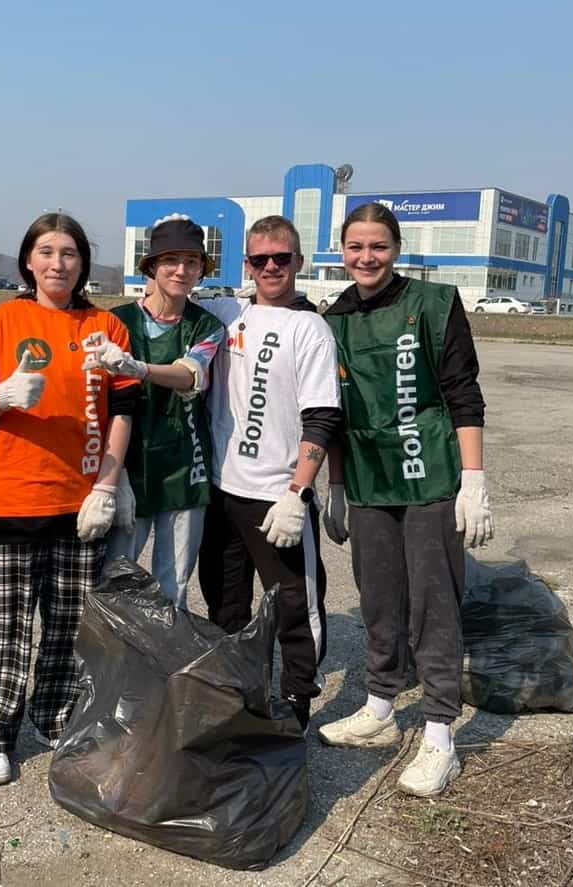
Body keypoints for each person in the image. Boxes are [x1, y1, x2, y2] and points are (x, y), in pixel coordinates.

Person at [316, 202, 494, 797]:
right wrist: (336, 486)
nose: (367, 258)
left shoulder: (434, 305)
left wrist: (474, 480)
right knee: (379, 596)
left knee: (433, 602)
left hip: (429, 477)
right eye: (356, 247)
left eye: (379, 246)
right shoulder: (332, 319)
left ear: (396, 248)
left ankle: (440, 732)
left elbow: (464, 394)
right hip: (368, 483)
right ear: (342, 252)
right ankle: (380, 705)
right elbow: (330, 415)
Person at [0, 213, 138, 786]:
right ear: (28, 261)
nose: (57, 263)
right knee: (3, 626)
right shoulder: (2, 323)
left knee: (68, 626)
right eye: (46, 251)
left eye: (69, 253)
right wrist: (2, 398)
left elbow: (124, 412)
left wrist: (108, 486)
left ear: (83, 262)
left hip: (78, 502)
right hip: (11, 497)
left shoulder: (106, 326)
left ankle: (53, 713)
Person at [196, 215, 342, 731]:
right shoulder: (225, 312)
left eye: (282, 258)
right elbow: (167, 296)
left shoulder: (311, 329)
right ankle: (239, 695)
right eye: (261, 259)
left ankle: (296, 705)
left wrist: (299, 493)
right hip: (221, 491)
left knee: (295, 607)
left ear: (298, 262)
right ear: (247, 265)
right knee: (224, 603)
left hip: (276, 496)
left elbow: (322, 417)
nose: (272, 267)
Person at [86, 215, 225, 608]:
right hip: (130, 463)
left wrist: (139, 368)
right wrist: (116, 477)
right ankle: (111, 668)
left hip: (186, 465)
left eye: (192, 262)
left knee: (174, 583)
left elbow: (189, 375)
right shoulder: (117, 322)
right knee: (116, 579)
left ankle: (165, 666)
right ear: (151, 266)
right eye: (171, 260)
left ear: (202, 269)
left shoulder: (208, 327)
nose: (181, 270)